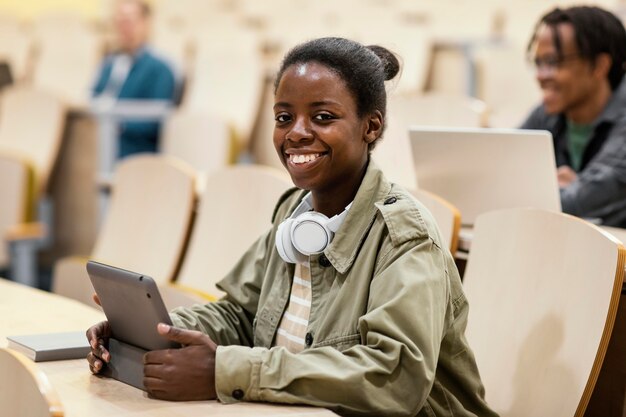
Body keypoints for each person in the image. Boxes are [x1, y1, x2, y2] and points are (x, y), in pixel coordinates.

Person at [87, 37, 496, 416]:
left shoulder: (404, 236)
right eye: (284, 117)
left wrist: (225, 371)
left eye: (322, 117)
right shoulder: (292, 215)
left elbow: (395, 378)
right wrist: (158, 334)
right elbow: (240, 316)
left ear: (371, 127)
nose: (296, 133)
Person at [521, 5, 626, 227]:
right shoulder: (548, 114)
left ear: (599, 65)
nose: (540, 76)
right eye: (538, 62)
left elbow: (578, 201)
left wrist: (552, 188)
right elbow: (497, 172)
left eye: (552, 62)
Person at [92, 0, 177, 158]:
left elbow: (156, 123)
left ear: (145, 23)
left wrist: (115, 124)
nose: (124, 28)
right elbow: (93, 97)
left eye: (129, 21)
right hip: (96, 145)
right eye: (119, 21)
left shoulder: (160, 70)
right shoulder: (109, 64)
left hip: (133, 152)